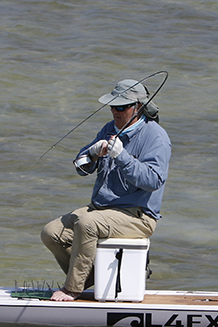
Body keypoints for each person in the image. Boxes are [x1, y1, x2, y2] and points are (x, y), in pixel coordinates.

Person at [41, 79, 171, 302]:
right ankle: (92, 277)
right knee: (51, 232)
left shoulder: (156, 137)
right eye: (113, 106)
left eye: (121, 107)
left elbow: (153, 180)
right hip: (100, 209)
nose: (115, 111)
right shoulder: (108, 129)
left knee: (87, 224)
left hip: (137, 216)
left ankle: (73, 288)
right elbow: (81, 168)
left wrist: (122, 157)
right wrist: (91, 154)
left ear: (137, 107)